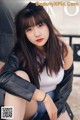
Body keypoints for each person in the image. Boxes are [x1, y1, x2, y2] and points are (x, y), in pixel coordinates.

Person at [0, 2, 73, 120]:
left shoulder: (64, 50)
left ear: (48, 24)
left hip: (54, 105)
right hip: (28, 105)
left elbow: (66, 88)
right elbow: (3, 78)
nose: (37, 33)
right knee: (18, 77)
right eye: (29, 29)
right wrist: (43, 97)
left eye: (40, 25)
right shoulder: (20, 53)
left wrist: (54, 107)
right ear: (24, 34)